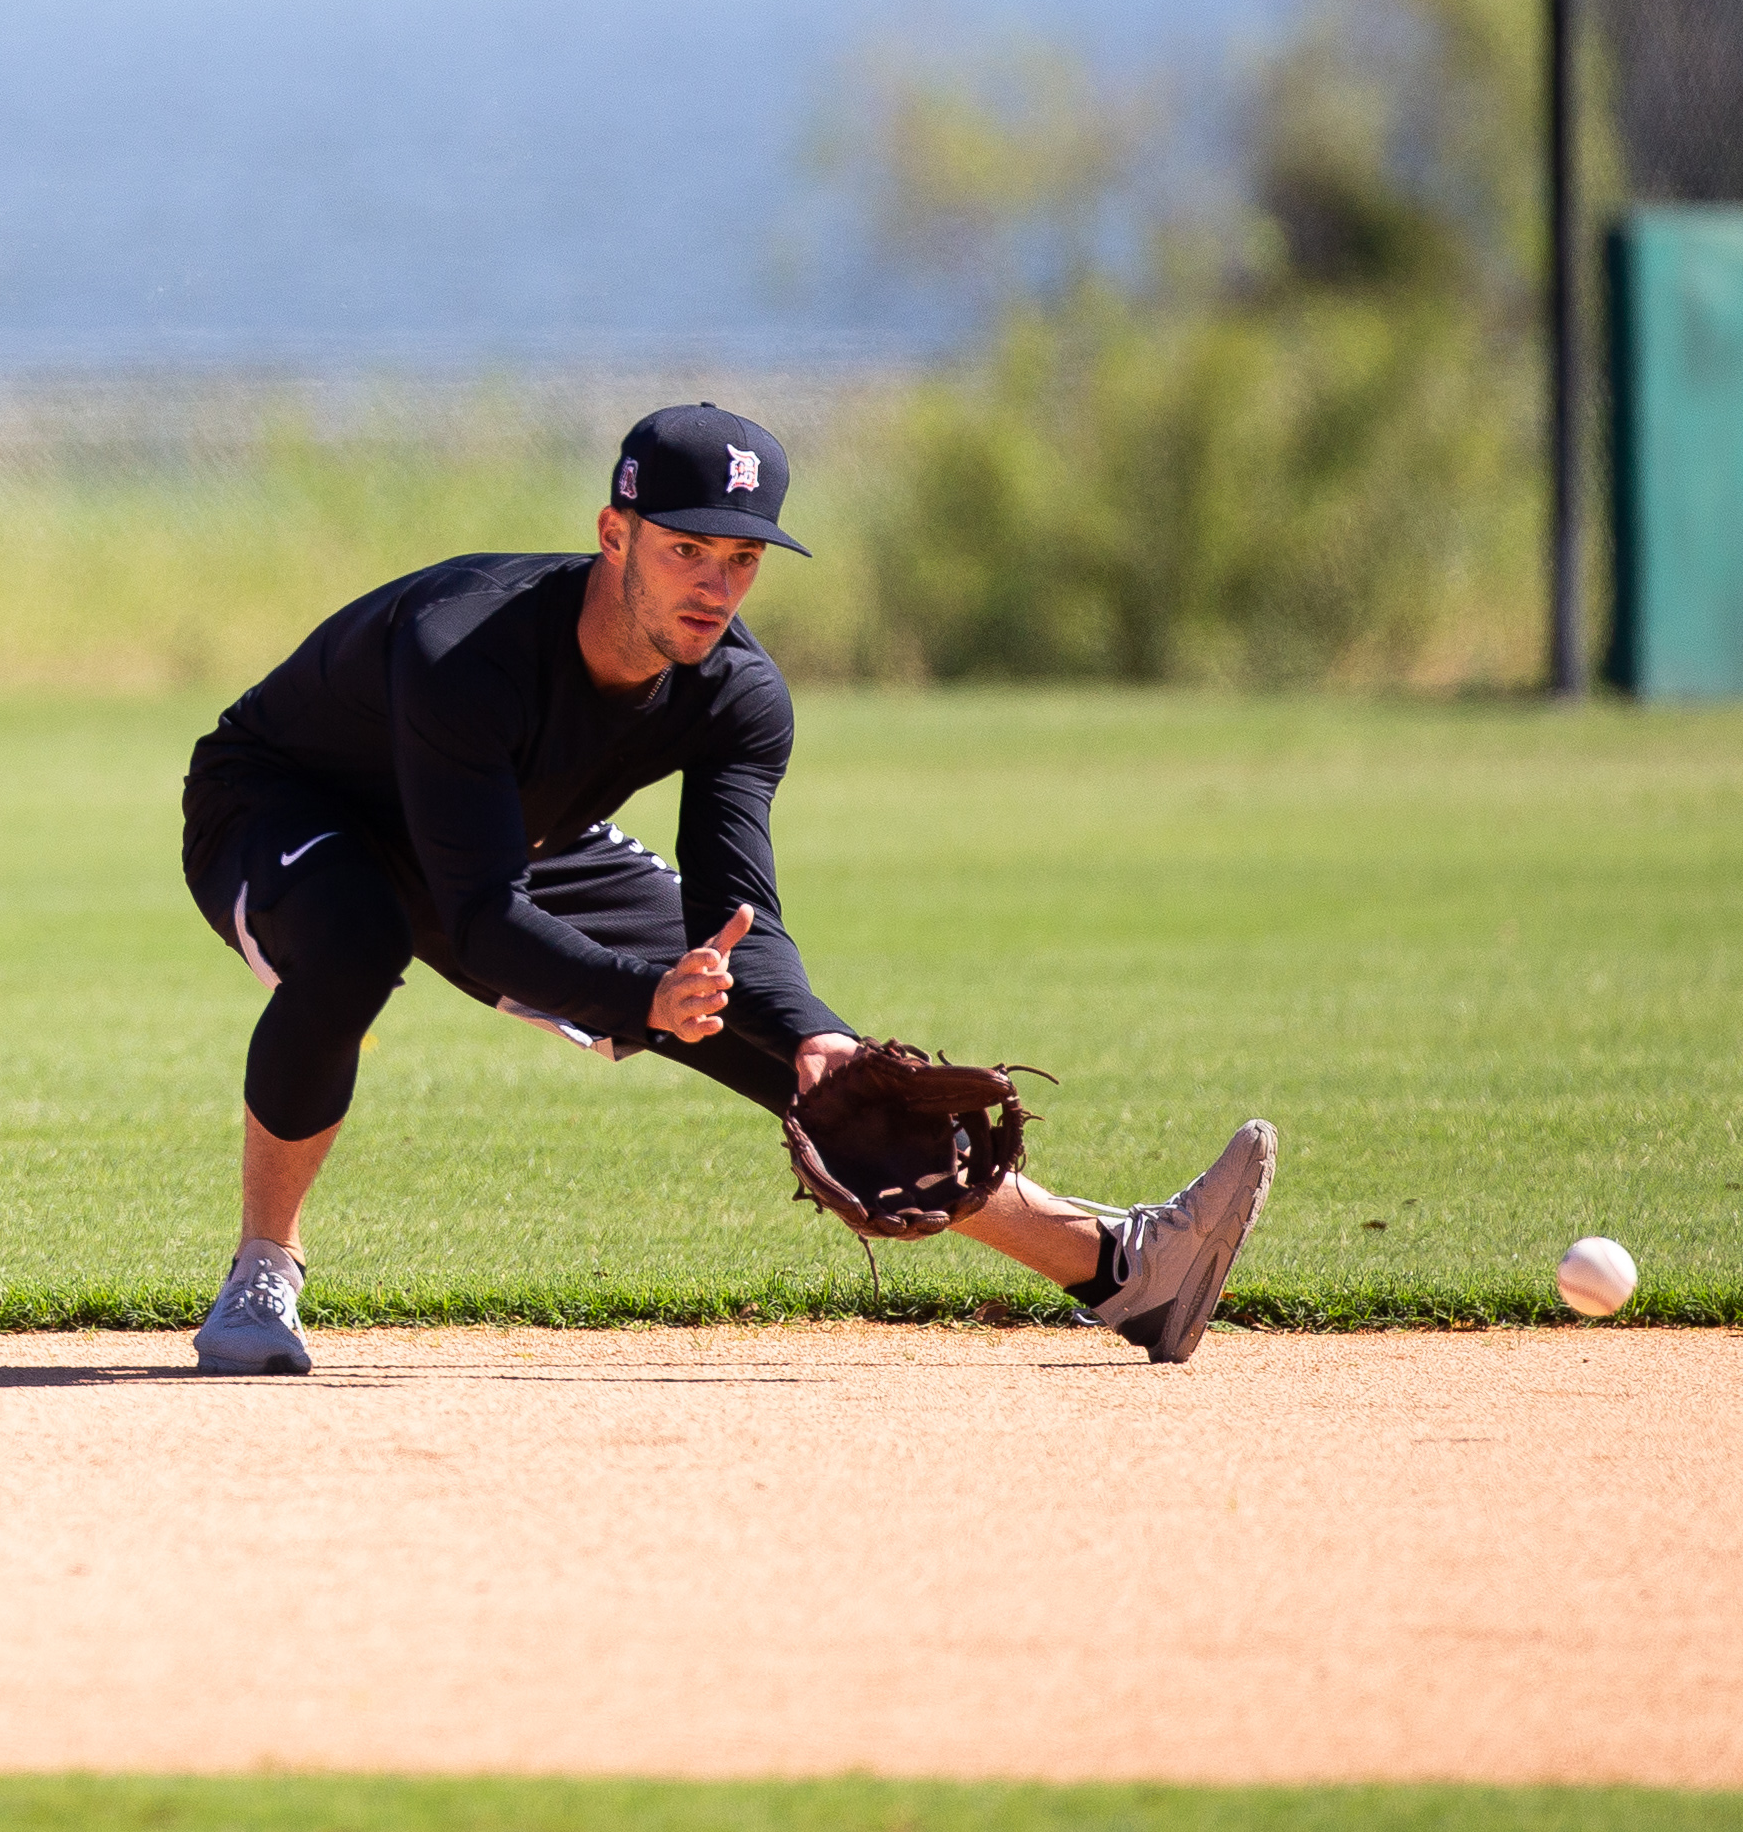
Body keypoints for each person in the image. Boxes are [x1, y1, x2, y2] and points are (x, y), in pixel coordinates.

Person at [175, 400, 1273, 1375]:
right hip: (288, 805)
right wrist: (636, 994)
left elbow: (738, 917)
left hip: (512, 834)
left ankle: (1126, 1270)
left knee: (802, 1049)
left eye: (741, 559)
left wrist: (806, 1031)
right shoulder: (464, 650)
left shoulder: (739, 696)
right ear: (615, 536)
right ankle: (261, 1270)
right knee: (355, 937)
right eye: (686, 547)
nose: (714, 583)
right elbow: (473, 917)